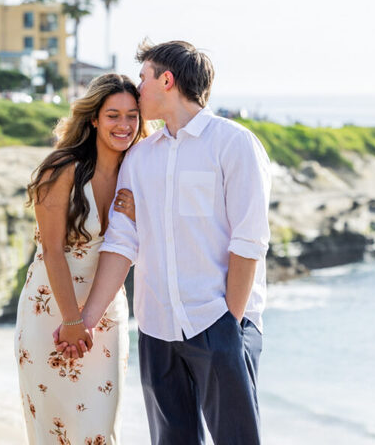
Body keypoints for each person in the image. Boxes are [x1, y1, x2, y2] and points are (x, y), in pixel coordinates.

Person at [58, 40, 272, 445]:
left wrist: (228, 322)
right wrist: (84, 320)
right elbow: (122, 242)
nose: (139, 88)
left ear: (167, 80)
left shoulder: (234, 144)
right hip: (156, 329)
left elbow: (249, 242)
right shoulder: (140, 158)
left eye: (143, 77)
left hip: (217, 322)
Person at [15, 73, 151, 444]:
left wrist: (144, 214)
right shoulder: (61, 169)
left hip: (106, 314)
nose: (124, 125)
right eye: (113, 115)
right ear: (93, 119)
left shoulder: (138, 171)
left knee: (100, 431)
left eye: (132, 115)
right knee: (53, 430)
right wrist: (72, 320)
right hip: (50, 311)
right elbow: (52, 250)